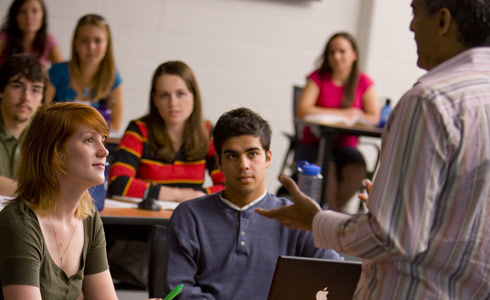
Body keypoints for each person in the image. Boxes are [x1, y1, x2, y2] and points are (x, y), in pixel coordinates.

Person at [256, 0, 490, 299]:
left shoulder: (430, 102)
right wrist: (390, 209)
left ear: (443, 21)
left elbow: (392, 237)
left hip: (413, 291)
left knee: (351, 166)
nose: (411, 26)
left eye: (414, 12)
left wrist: (316, 220)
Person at [164, 107, 341, 299]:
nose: (243, 165)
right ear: (219, 162)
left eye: (252, 154)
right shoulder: (189, 216)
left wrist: (321, 224)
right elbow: (179, 290)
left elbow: (337, 277)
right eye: (232, 155)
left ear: (268, 158)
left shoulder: (296, 216)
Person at [0, 103, 118, 299]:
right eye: (89, 140)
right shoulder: (19, 224)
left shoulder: (88, 217)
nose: (104, 151)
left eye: (103, 140)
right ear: (55, 153)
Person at [108, 61, 224, 202]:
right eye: (164, 95)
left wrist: (192, 196)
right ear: (155, 99)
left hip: (190, 219)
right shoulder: (138, 130)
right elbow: (117, 183)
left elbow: (228, 186)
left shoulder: (207, 132)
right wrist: (179, 195)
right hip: (146, 220)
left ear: (194, 96)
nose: (173, 103)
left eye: (180, 94)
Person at [293, 32, 380, 211]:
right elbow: (303, 110)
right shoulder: (317, 78)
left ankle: (328, 215)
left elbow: (374, 117)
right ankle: (331, 221)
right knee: (327, 169)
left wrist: (358, 116)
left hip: (346, 146)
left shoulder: (363, 82)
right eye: (332, 52)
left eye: (342, 51)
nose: (336, 56)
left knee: (357, 171)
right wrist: (344, 113)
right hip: (315, 143)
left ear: (354, 54)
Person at [44, 14, 123, 132]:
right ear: (75, 44)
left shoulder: (112, 78)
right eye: (84, 41)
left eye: (98, 40)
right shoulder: (57, 72)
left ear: (107, 44)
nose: (91, 47)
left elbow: (115, 125)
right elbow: (42, 114)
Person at [0, 54, 46, 196]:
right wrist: (34, 191)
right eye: (17, 86)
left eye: (35, 90)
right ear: (1, 90)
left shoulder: (47, 132)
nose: (26, 97)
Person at [0, 0, 63, 67]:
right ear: (15, 15)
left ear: (43, 15)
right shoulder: (4, 37)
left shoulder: (48, 40)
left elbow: (62, 72)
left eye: (34, 11)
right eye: (23, 11)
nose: (29, 17)